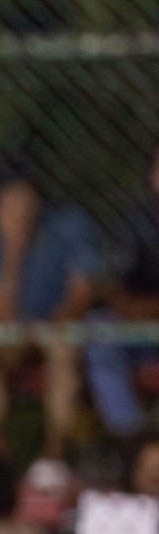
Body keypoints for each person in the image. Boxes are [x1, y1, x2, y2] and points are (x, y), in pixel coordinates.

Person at [0, 163, 99, 463]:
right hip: (11, 334)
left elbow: (83, 293)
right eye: (9, 200)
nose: (19, 207)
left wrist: (48, 327)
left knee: (64, 348)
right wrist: (13, 248)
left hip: (56, 328)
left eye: (25, 197)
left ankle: (54, 455)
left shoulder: (69, 225)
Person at [85, 144, 159, 438]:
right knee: (99, 328)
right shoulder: (134, 223)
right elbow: (113, 293)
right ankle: (135, 442)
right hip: (142, 335)